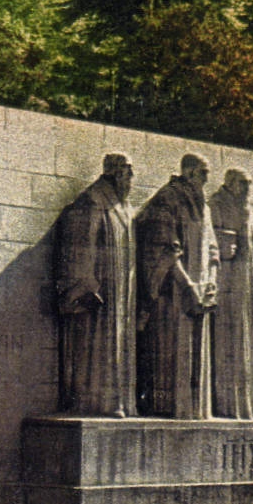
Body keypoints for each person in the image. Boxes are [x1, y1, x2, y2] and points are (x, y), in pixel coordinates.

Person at [134, 154, 220, 419]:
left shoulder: (203, 206)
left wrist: (211, 282)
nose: (207, 179)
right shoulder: (167, 199)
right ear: (190, 173)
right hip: (173, 294)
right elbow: (166, 250)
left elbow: (213, 248)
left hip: (200, 295)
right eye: (203, 173)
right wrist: (188, 286)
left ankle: (195, 411)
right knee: (172, 357)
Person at [54, 154, 138, 417]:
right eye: (127, 172)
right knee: (96, 344)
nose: (131, 178)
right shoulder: (92, 200)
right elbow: (80, 246)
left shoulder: (124, 206)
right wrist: (85, 287)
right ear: (114, 173)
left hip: (122, 290)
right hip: (99, 291)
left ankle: (119, 401)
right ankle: (96, 402)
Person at [209, 169, 253, 419]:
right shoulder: (216, 205)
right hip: (226, 286)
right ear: (230, 184)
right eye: (243, 183)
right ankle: (227, 405)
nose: (248, 188)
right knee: (227, 342)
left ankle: (245, 404)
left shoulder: (250, 211)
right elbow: (211, 245)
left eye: (250, 183)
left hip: (247, 287)